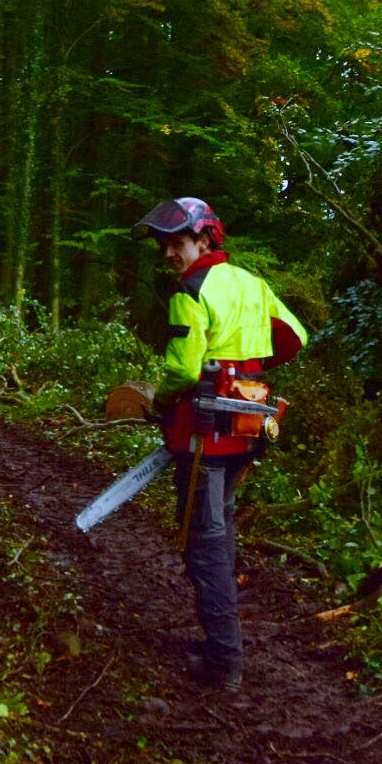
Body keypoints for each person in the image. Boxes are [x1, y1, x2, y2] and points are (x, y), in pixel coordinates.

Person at [136, 198, 307, 691]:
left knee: (204, 544)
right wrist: (246, 373)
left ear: (206, 239)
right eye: (165, 245)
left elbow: (184, 370)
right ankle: (219, 644)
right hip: (246, 434)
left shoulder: (191, 290)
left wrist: (163, 400)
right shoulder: (252, 284)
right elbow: (296, 335)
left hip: (205, 438)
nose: (170, 254)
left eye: (179, 243)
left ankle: (224, 662)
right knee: (219, 529)